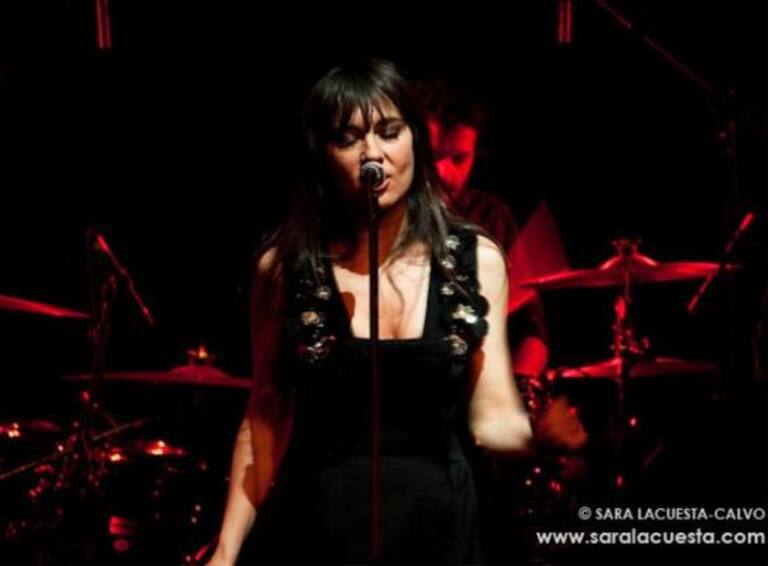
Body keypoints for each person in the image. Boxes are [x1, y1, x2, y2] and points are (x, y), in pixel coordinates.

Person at [207, 59, 533, 565]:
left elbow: (493, 411)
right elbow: (264, 414)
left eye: (389, 132)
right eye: (348, 138)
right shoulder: (285, 270)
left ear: (415, 141)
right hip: (319, 525)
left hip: (438, 526)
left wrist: (532, 432)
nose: (373, 154)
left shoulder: (476, 261)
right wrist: (226, 551)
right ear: (323, 155)